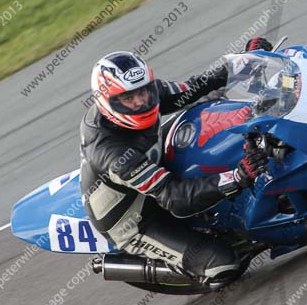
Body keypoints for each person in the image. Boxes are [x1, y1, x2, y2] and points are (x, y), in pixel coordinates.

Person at [80, 37, 274, 282]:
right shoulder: (112, 154)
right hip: (137, 218)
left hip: (156, 167)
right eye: (129, 99)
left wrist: (246, 61)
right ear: (108, 103)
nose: (141, 102)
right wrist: (238, 176)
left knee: (216, 112)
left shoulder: (150, 94)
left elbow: (199, 86)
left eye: (143, 91)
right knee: (223, 264)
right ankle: (181, 263)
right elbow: (175, 198)